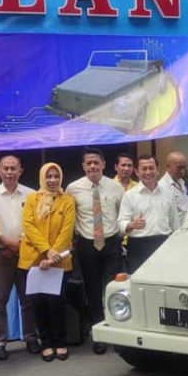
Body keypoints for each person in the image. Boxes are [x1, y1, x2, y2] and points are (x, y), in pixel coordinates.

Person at [67, 148, 124, 354]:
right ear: (83, 166)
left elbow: (120, 214)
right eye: (88, 163)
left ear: (103, 164)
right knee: (92, 291)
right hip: (86, 244)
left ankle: (116, 332)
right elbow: (71, 218)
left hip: (110, 243)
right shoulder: (73, 188)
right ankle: (98, 334)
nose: (92, 166)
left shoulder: (116, 187)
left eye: (96, 162)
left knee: (112, 289)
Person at [18, 163, 76, 362]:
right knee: (38, 304)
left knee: (56, 303)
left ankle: (60, 342)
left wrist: (53, 256)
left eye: (56, 176)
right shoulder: (32, 199)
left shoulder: (67, 200)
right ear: (42, 178)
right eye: (49, 176)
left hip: (59, 261)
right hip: (34, 260)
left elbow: (67, 229)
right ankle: (46, 343)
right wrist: (46, 251)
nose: (52, 180)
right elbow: (28, 226)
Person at [0, 154, 38, 359]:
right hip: (0, 254)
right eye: (5, 168)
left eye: (13, 168)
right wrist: (4, 241)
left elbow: (36, 225)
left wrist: (20, 244)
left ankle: (31, 337)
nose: (9, 172)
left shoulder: (32, 195)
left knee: (28, 299)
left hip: (26, 253)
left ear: (20, 171)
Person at [119, 155, 180, 274]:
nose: (148, 172)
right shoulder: (129, 195)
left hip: (163, 243)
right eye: (144, 168)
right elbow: (121, 224)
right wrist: (132, 224)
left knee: (164, 280)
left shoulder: (168, 193)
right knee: (140, 284)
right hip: (139, 246)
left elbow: (175, 224)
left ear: (157, 170)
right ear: (137, 171)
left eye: (151, 168)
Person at [159, 150, 188, 226]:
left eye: (184, 167)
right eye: (179, 168)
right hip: (173, 231)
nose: (182, 171)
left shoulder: (181, 182)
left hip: (185, 227)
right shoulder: (163, 186)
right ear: (168, 166)